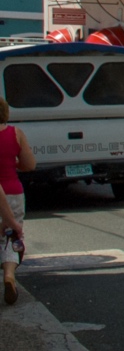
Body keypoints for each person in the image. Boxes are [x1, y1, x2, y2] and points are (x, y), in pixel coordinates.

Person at [0, 96, 37, 306]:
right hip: (12, 191)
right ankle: (9, 275)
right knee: (10, 235)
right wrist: (14, 164)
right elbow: (30, 164)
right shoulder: (16, 133)